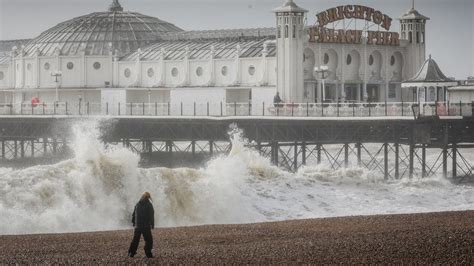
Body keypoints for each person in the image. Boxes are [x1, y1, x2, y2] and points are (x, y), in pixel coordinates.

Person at [128, 192, 155, 258]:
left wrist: (134, 223)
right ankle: (148, 252)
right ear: (148, 197)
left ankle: (131, 253)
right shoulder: (149, 204)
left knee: (135, 240)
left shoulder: (137, 204)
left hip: (138, 226)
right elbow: (151, 215)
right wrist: (152, 224)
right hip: (145, 226)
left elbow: (133, 214)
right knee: (149, 240)